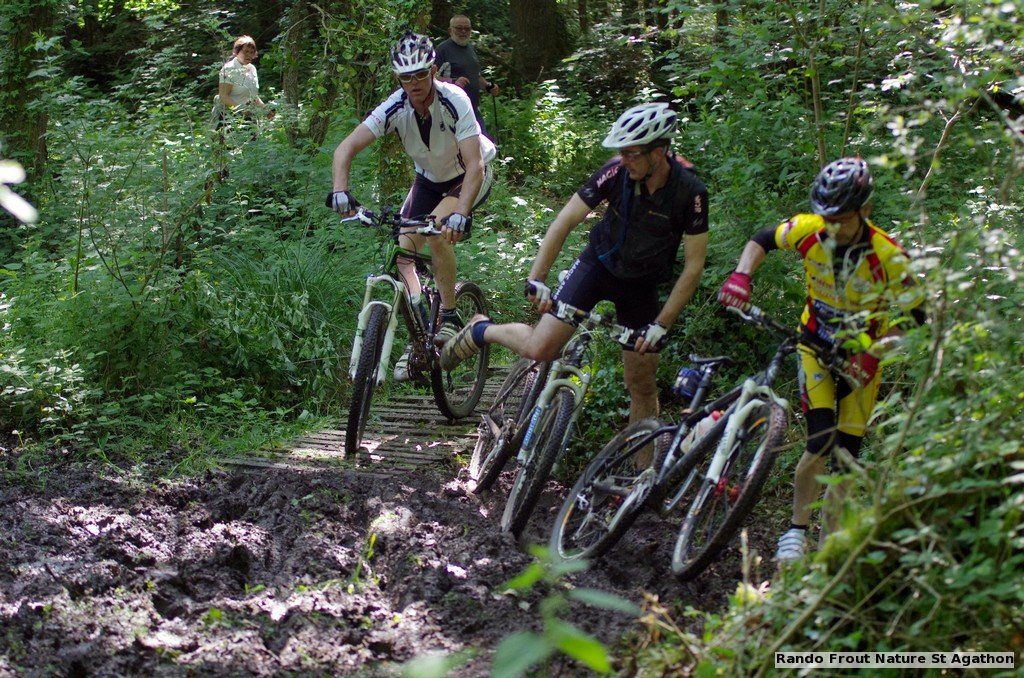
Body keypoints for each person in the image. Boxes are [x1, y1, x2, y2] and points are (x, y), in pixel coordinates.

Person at [441, 103, 708, 448]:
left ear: (658, 153)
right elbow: (565, 220)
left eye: (631, 153)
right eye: (622, 152)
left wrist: (662, 324)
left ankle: (641, 475)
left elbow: (693, 266)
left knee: (642, 383)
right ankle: (482, 329)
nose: (624, 160)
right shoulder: (616, 172)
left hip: (642, 286)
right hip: (597, 266)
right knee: (541, 348)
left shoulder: (690, 192)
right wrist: (537, 278)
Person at [716, 157, 926, 563]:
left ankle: (827, 550)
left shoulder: (888, 256)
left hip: (861, 362)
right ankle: (796, 532)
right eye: (826, 217)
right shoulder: (809, 229)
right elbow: (762, 239)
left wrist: (876, 352)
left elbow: (919, 320)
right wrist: (742, 275)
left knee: (846, 457)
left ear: (865, 210)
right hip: (814, 344)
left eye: (841, 220)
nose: (831, 228)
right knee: (820, 440)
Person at [327, 30, 496, 382]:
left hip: (467, 175)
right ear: (398, 78)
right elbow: (345, 149)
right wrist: (340, 190)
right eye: (407, 77)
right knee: (402, 253)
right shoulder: (395, 106)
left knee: (434, 232)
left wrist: (460, 214)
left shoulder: (454, 99)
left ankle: (449, 315)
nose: (415, 83)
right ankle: (422, 331)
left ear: (432, 71)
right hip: (429, 179)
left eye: (421, 74)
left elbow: (475, 164)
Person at [434, 15, 499, 137]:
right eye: (459, 28)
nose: (463, 32)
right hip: (451, 112)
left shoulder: (470, 48)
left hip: (472, 109)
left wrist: (488, 86)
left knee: (484, 144)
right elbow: (430, 77)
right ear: (450, 30)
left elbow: (476, 75)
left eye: (467, 29)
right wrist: (453, 82)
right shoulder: (443, 50)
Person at [211, 36, 272, 128]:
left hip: (249, 119)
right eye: (246, 52)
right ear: (237, 52)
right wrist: (241, 111)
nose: (249, 55)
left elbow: (253, 97)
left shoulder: (252, 69)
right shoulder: (229, 69)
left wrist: (267, 111)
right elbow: (223, 97)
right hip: (230, 120)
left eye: (251, 52)